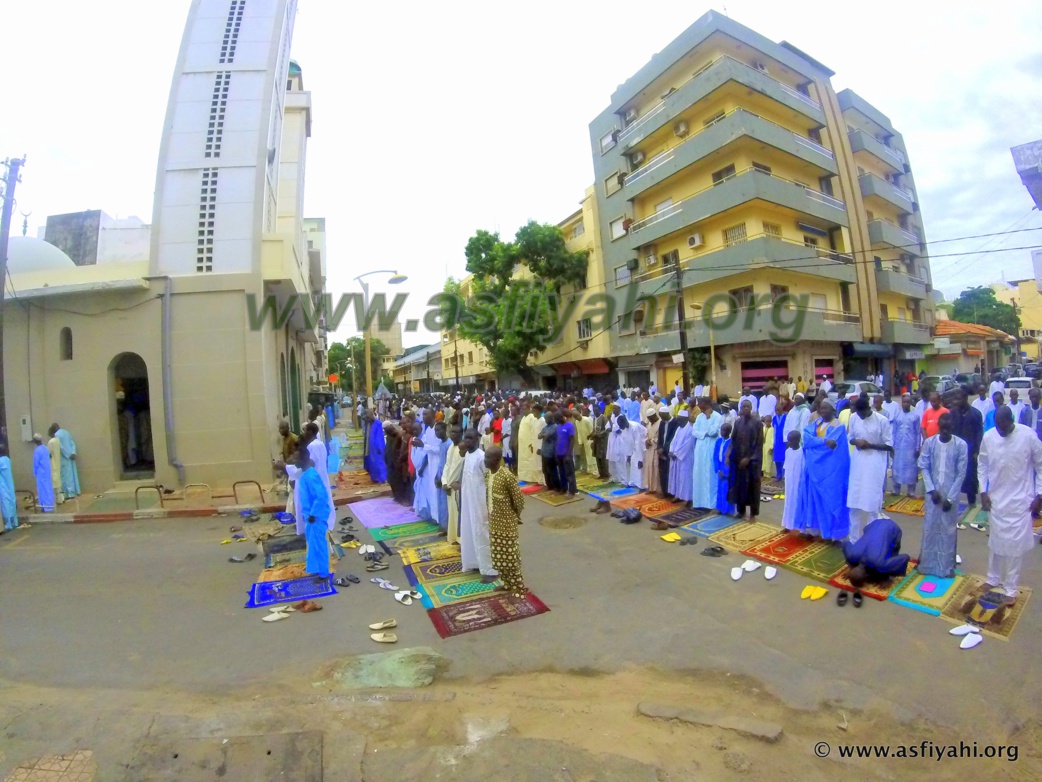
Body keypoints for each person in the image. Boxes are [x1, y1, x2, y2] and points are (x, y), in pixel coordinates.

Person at [978, 406, 1042, 604]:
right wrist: (983, 490)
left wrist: (1039, 495)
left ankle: (1011, 589)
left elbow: (1040, 465)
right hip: (996, 498)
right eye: (997, 426)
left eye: (1003, 426)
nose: (1000, 430)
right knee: (996, 541)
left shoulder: (1028, 436)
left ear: (1011, 420)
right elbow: (982, 463)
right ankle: (992, 578)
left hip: (1021, 500)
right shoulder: (989, 437)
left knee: (1014, 546)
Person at [917, 412, 968, 578]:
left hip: (950, 494)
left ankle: (945, 568)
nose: (945, 431)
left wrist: (950, 499)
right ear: (938, 426)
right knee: (930, 527)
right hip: (933, 494)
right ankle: (927, 565)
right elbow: (924, 466)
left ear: (952, 427)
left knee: (948, 530)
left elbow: (961, 473)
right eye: (942, 427)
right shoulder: (929, 443)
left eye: (948, 428)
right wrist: (931, 490)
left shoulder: (961, 445)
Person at [797, 400, 850, 540]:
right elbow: (807, 438)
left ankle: (833, 535)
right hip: (814, 470)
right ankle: (814, 530)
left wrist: (818, 444)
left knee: (830, 501)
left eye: (825, 408)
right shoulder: (817, 423)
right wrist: (823, 441)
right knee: (813, 500)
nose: (822, 411)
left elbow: (831, 448)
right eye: (821, 408)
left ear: (833, 410)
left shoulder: (839, 427)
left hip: (830, 471)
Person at [846, 397, 893, 543]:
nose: (860, 416)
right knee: (854, 501)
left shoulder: (882, 420)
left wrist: (869, 445)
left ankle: (871, 540)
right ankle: (854, 540)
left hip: (875, 464)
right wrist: (857, 442)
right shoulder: (854, 418)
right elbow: (850, 438)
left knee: (873, 503)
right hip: (858, 463)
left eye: (862, 413)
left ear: (868, 408)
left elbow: (889, 445)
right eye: (858, 413)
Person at [483, 445, 526, 597]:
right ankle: (507, 584)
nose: (485, 460)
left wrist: (514, 516)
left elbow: (519, 500)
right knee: (499, 556)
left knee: (511, 558)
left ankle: (518, 589)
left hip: (507, 524)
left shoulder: (507, 476)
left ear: (496, 459)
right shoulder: (488, 475)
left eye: (488, 457)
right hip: (494, 523)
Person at [460, 429, 497, 582]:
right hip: (468, 501)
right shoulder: (468, 455)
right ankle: (475, 562)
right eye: (466, 438)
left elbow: (490, 481)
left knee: (483, 533)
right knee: (469, 531)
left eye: (470, 438)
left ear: (477, 439)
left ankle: (491, 570)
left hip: (480, 503)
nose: (467, 441)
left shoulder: (482, 457)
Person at [293, 444, 333, 578]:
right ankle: (316, 569)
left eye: (296, 458)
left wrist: (313, 514)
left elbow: (321, 496)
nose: (294, 461)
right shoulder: (305, 475)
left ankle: (324, 574)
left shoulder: (311, 476)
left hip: (316, 517)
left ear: (303, 458)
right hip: (310, 516)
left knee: (319, 545)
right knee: (313, 544)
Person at [843, 517, 911, 591]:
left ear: (867, 576)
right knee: (877, 557)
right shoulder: (851, 555)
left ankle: (888, 575)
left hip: (892, 529)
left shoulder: (880, 564)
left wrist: (889, 578)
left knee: (885, 566)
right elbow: (846, 544)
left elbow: (905, 557)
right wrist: (851, 568)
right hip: (873, 525)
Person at [948, 387, 984, 506]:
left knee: (970, 478)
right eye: (956, 399)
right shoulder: (953, 413)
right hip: (956, 450)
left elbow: (979, 433)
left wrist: (977, 451)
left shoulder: (976, 414)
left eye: (959, 399)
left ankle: (971, 503)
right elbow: (950, 431)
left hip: (970, 451)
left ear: (965, 398)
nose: (956, 402)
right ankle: (952, 502)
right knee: (954, 477)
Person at [729, 400, 763, 520]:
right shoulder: (738, 422)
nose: (746, 408)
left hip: (753, 462)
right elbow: (733, 440)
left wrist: (749, 458)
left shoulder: (757, 423)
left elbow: (759, 444)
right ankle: (741, 511)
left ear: (751, 408)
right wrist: (729, 455)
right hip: (739, 460)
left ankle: (753, 514)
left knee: (753, 487)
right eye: (744, 406)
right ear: (741, 408)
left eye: (748, 406)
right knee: (740, 486)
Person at [690, 398, 722, 509]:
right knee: (699, 474)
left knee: (711, 475)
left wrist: (708, 418)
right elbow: (694, 432)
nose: (698, 405)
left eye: (700, 403)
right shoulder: (699, 417)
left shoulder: (717, 417)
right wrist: (704, 434)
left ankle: (712, 504)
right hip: (700, 449)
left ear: (707, 404)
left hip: (711, 448)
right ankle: (699, 502)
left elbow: (713, 432)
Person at [890, 394, 921, 497]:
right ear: (901, 403)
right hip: (898, 447)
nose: (906, 404)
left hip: (910, 447)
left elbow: (918, 433)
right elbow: (893, 432)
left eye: (908, 402)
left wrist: (917, 447)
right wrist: (891, 446)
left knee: (911, 469)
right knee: (897, 468)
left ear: (910, 403)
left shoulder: (915, 416)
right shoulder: (897, 416)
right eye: (904, 402)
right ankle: (896, 489)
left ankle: (911, 491)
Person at [442, 425, 465, 543]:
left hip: (458, 488)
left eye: (456, 432)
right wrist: (444, 482)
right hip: (449, 486)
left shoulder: (463, 450)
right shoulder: (451, 447)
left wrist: (458, 483)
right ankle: (454, 537)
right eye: (451, 432)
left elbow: (462, 470)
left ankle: (461, 540)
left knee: (459, 514)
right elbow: (447, 466)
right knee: (452, 513)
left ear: (461, 434)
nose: (453, 435)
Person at [667, 409, 694, 502]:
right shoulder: (679, 428)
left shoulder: (690, 430)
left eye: (679, 419)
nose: (678, 421)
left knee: (685, 478)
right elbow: (673, 441)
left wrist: (676, 454)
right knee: (677, 477)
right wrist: (671, 451)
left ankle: (688, 499)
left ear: (685, 419)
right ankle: (678, 495)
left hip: (685, 458)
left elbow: (687, 445)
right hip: (676, 457)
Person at [781, 431, 804, 531]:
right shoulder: (788, 452)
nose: (788, 442)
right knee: (788, 503)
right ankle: (788, 525)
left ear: (797, 440)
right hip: (789, 481)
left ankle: (801, 528)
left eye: (790, 440)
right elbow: (786, 467)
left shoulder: (802, 452)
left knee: (798, 503)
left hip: (799, 482)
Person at [713, 422, 735, 516]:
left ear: (729, 431)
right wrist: (718, 469)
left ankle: (728, 510)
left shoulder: (731, 443)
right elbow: (715, 456)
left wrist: (726, 471)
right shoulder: (718, 441)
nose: (722, 432)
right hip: (720, 468)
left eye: (724, 430)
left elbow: (732, 459)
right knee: (719, 490)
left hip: (727, 470)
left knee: (727, 490)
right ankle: (720, 508)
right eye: (721, 430)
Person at [517, 405, 543, 484]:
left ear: (529, 409)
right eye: (522, 409)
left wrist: (531, 443)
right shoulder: (523, 417)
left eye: (525, 409)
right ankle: (524, 477)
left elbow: (533, 431)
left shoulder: (532, 417)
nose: (523, 410)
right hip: (522, 444)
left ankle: (532, 478)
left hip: (529, 444)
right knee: (523, 461)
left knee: (530, 461)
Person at [554, 411, 578, 495]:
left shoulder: (569, 425)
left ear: (561, 417)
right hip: (559, 453)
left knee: (570, 473)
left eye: (557, 419)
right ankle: (564, 489)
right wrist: (556, 452)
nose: (556, 421)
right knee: (562, 472)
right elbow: (557, 439)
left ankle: (572, 491)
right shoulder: (558, 426)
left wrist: (568, 453)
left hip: (567, 454)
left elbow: (572, 440)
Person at [362, 410, 387, 483]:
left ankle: (381, 479)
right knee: (371, 464)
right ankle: (374, 478)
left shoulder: (378, 423)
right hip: (369, 447)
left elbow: (379, 437)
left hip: (376, 448)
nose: (367, 419)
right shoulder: (368, 424)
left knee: (378, 464)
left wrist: (379, 447)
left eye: (368, 417)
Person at [656, 407, 676, 496]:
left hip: (670, 451)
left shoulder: (675, 423)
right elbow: (660, 437)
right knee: (662, 473)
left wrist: (664, 448)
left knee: (669, 473)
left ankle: (670, 493)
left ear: (667, 414)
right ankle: (664, 492)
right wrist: (659, 448)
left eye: (662, 416)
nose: (661, 418)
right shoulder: (662, 422)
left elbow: (672, 438)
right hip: (662, 452)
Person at [538, 411, 559, 490]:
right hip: (544, 452)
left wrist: (543, 434)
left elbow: (547, 435)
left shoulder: (555, 427)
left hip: (551, 453)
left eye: (546, 418)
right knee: (545, 471)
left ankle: (556, 487)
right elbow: (539, 436)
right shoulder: (545, 427)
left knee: (552, 471)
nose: (545, 420)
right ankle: (549, 486)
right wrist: (543, 434)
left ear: (550, 418)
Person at [643, 408, 661, 494]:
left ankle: (657, 489)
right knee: (649, 468)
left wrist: (652, 440)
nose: (649, 420)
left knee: (656, 469)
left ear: (654, 416)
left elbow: (660, 437)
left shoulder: (660, 423)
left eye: (650, 418)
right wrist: (646, 440)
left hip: (656, 449)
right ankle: (650, 488)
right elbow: (646, 434)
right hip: (649, 449)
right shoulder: (649, 424)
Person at [46, 426, 65, 506]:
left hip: (52, 463)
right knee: (58, 482)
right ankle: (61, 499)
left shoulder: (51, 442)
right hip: (58, 462)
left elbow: (48, 453)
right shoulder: (58, 440)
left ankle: (53, 500)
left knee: (53, 483)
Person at [591, 405, 611, 479]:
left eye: (596, 410)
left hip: (603, 441)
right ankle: (601, 474)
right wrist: (591, 435)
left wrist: (599, 434)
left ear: (600, 410)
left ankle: (606, 474)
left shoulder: (604, 418)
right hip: (596, 441)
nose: (595, 412)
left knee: (603, 458)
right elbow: (594, 429)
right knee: (597, 457)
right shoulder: (594, 419)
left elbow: (608, 429)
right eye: (594, 411)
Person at [0, 445, 17, 531]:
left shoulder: (0, 461)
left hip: (3, 485)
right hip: (10, 484)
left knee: (5, 503)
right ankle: (15, 522)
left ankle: (9, 523)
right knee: (12, 502)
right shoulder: (7, 459)